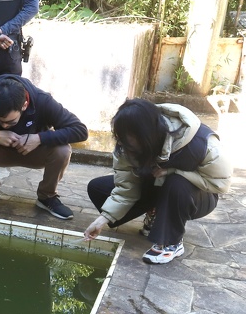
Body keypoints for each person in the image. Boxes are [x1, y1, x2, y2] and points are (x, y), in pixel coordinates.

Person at [83, 99, 231, 264]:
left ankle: (171, 242)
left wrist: (173, 170)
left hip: (198, 196)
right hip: (159, 188)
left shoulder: (202, 143)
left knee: (176, 182)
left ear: (146, 133)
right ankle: (156, 212)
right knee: (98, 188)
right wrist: (102, 219)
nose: (123, 143)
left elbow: (220, 184)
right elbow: (126, 188)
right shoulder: (126, 147)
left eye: (129, 137)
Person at [0, 75, 87, 219]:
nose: (5, 125)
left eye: (11, 122)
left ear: (24, 105)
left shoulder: (42, 100)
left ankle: (47, 197)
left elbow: (80, 131)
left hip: (34, 152)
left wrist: (39, 138)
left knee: (63, 150)